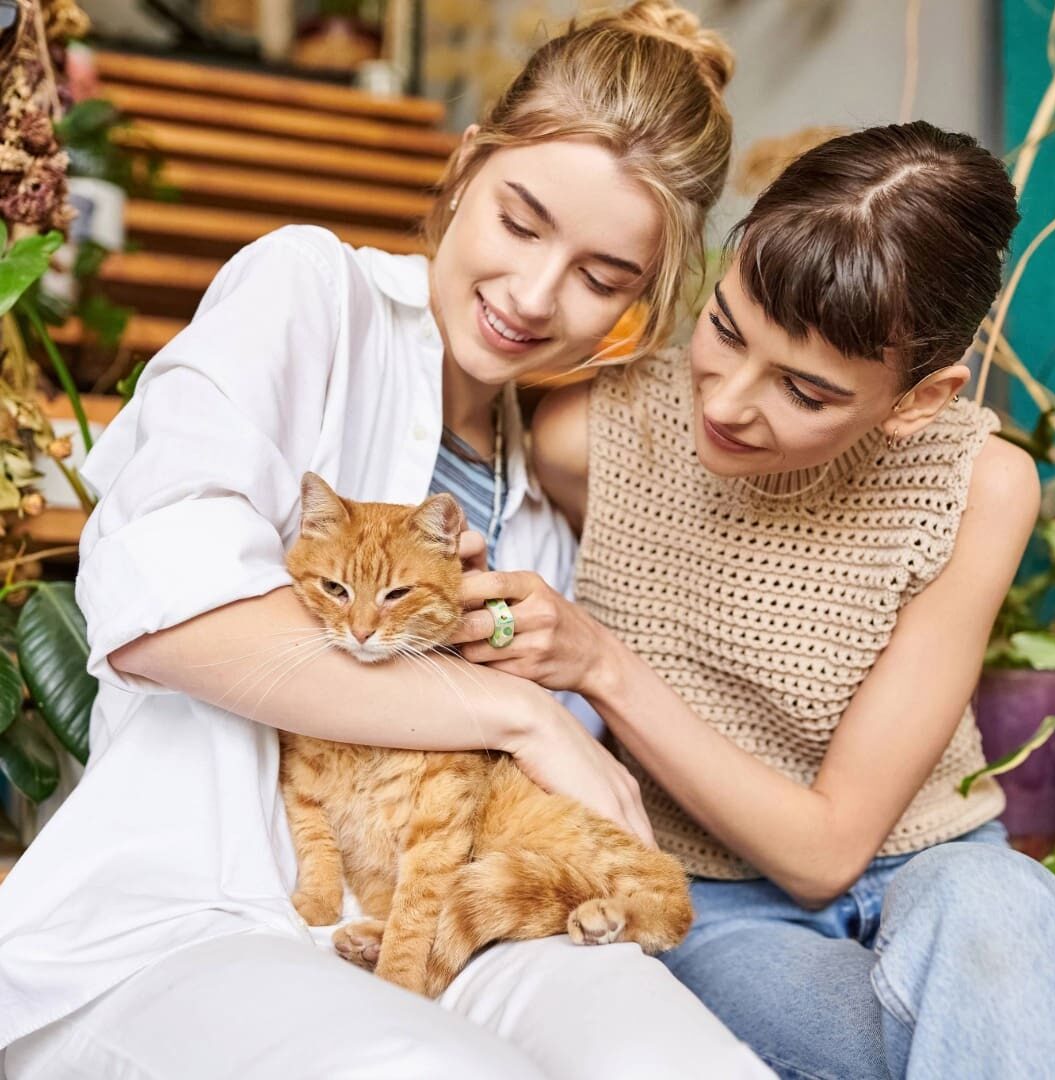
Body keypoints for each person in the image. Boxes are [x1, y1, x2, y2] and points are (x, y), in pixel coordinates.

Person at [0, 4, 774, 1078]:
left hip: (452, 911)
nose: (535, 296)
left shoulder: (541, 480)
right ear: (463, 170)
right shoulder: (310, 291)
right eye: (520, 220)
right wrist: (517, 712)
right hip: (202, 913)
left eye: (604, 278)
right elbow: (163, 621)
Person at [451, 121, 1055, 1079]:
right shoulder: (590, 437)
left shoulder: (979, 483)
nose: (729, 403)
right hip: (711, 903)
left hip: (932, 871)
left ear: (919, 400)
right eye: (727, 329)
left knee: (1008, 909)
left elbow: (830, 847)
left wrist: (603, 664)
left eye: (804, 389)